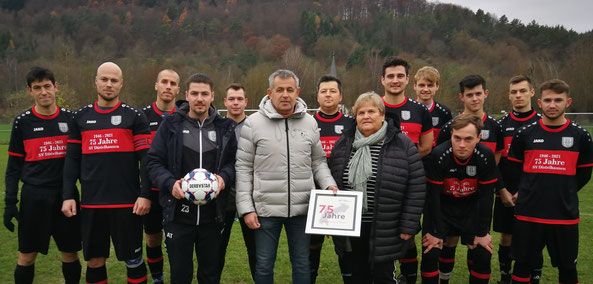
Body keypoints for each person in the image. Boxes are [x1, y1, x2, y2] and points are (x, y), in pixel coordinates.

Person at [235, 69, 338, 284]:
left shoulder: (310, 122)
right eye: (279, 89)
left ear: (297, 91)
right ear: (269, 92)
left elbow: (318, 161)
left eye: (290, 90)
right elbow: (243, 168)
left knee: (302, 263)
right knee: (263, 264)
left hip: (302, 209)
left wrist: (329, 185)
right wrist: (246, 208)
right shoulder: (253, 123)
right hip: (265, 210)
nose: (285, 94)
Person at [61, 62, 151, 284]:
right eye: (104, 79)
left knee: (134, 260)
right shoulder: (79, 117)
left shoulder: (135, 117)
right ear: (96, 80)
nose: (108, 84)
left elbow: (146, 160)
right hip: (92, 204)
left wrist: (146, 194)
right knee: (94, 261)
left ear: (121, 83)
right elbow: (72, 159)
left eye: (114, 80)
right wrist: (68, 195)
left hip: (127, 204)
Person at [146, 73, 237, 283]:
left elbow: (234, 164)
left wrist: (223, 177)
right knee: (180, 275)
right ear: (186, 95)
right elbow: (153, 162)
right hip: (178, 217)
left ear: (212, 96)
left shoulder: (224, 128)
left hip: (213, 218)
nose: (199, 98)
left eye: (204, 94)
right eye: (194, 93)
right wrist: (170, 184)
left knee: (210, 275)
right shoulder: (170, 125)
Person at [327, 91, 425, 283]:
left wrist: (409, 224)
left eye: (371, 111)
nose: (366, 116)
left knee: (384, 277)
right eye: (361, 112)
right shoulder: (344, 143)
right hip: (352, 226)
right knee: (357, 276)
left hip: (387, 226)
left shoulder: (401, 143)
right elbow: (333, 180)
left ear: (382, 114)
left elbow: (416, 186)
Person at [508, 79, 593, 284]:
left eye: (558, 100)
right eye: (547, 100)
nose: (552, 105)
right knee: (521, 265)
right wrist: (529, 189)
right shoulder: (524, 134)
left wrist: (563, 191)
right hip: (529, 215)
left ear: (568, 102)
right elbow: (514, 169)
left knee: (567, 268)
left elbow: (583, 175)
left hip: (564, 216)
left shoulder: (581, 136)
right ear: (539, 102)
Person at [4, 67, 82, 284]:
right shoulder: (23, 122)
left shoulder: (71, 119)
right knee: (27, 257)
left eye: (47, 86)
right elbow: (13, 168)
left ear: (55, 87)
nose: (43, 92)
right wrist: (10, 201)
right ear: (30, 91)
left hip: (66, 195)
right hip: (34, 197)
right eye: (37, 88)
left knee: (70, 253)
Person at [435, 75, 504, 283]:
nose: (474, 99)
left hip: (477, 195)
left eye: (478, 94)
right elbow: (442, 156)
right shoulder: (450, 127)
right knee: (449, 243)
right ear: (462, 97)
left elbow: (496, 161)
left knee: (477, 245)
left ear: (485, 94)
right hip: (451, 195)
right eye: (469, 95)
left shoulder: (495, 126)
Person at [420, 114, 498, 284]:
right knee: (430, 251)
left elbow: (486, 197)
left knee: (483, 252)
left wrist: (482, 232)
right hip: (442, 208)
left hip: (471, 209)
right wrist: (437, 231)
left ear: (479, 137)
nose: (462, 145)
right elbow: (433, 196)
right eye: (457, 138)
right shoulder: (438, 155)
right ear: (451, 135)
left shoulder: (486, 155)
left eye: (468, 139)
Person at [381, 56, 433, 283]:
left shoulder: (420, 110)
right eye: (390, 76)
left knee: (408, 235)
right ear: (382, 79)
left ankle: (409, 278)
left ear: (407, 79)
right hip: (379, 185)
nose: (395, 80)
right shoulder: (372, 107)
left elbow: (426, 146)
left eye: (399, 76)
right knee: (382, 236)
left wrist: (401, 163)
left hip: (410, 184)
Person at [494, 75, 541, 284]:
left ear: (532, 93)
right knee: (506, 238)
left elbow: (543, 163)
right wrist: (502, 189)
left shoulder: (542, 123)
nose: (518, 95)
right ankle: (505, 275)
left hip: (533, 192)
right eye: (514, 92)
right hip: (506, 192)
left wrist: (527, 191)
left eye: (523, 91)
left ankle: (534, 276)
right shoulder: (500, 125)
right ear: (509, 95)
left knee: (533, 238)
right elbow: (493, 163)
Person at [311, 74, 355, 283]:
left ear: (340, 96)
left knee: (345, 246)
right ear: (317, 96)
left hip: (343, 193)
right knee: (312, 244)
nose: (328, 95)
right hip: (313, 192)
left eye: (333, 91)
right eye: (323, 91)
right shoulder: (306, 123)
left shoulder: (352, 124)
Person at [141, 69, 181, 283]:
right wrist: (143, 192)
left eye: (172, 83)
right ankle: (158, 279)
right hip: (152, 192)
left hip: (178, 192)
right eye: (164, 82)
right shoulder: (142, 117)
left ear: (178, 89)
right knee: (153, 238)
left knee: (177, 241)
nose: (168, 86)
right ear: (156, 85)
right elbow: (138, 159)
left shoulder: (183, 116)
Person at [217, 83, 256, 281]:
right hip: (223, 201)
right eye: (231, 99)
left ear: (246, 102)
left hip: (250, 201)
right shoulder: (216, 128)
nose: (235, 102)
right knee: (216, 253)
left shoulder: (255, 127)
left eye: (239, 99)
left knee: (256, 254)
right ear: (225, 102)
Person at [413, 66, 452, 147]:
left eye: (430, 85)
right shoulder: (408, 109)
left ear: (437, 87)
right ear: (415, 86)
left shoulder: (444, 112)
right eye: (422, 85)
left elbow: (448, 142)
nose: (426, 89)